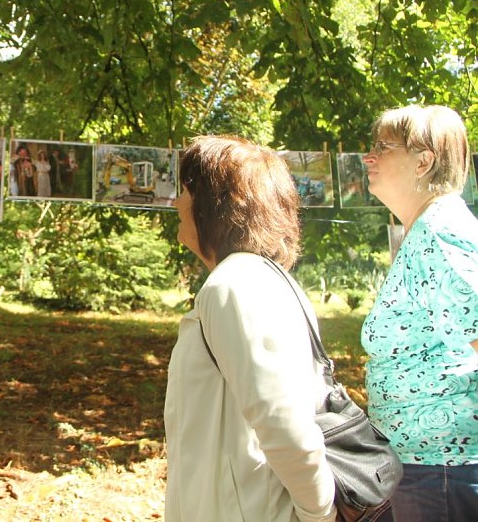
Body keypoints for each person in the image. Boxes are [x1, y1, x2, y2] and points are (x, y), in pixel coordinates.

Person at [165, 135, 336, 522]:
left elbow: (283, 422)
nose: (177, 203)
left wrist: (317, 513)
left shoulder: (234, 285)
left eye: (187, 190)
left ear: (214, 204)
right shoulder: (263, 278)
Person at [360, 105, 478, 522]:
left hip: (443, 470)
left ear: (423, 161)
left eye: (383, 147)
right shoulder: (426, 228)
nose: (368, 157)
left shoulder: (438, 231)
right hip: (428, 468)